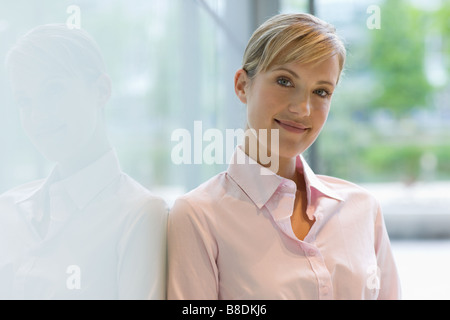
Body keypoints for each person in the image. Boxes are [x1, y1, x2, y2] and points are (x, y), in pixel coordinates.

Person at [167, 13, 401, 300]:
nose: (303, 109)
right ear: (242, 85)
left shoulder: (363, 209)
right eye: (284, 81)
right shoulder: (198, 216)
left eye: (321, 91)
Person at [0, 24, 167, 299]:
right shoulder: (7, 209)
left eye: (53, 90)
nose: (37, 116)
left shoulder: (138, 215)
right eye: (24, 101)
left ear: (102, 90)